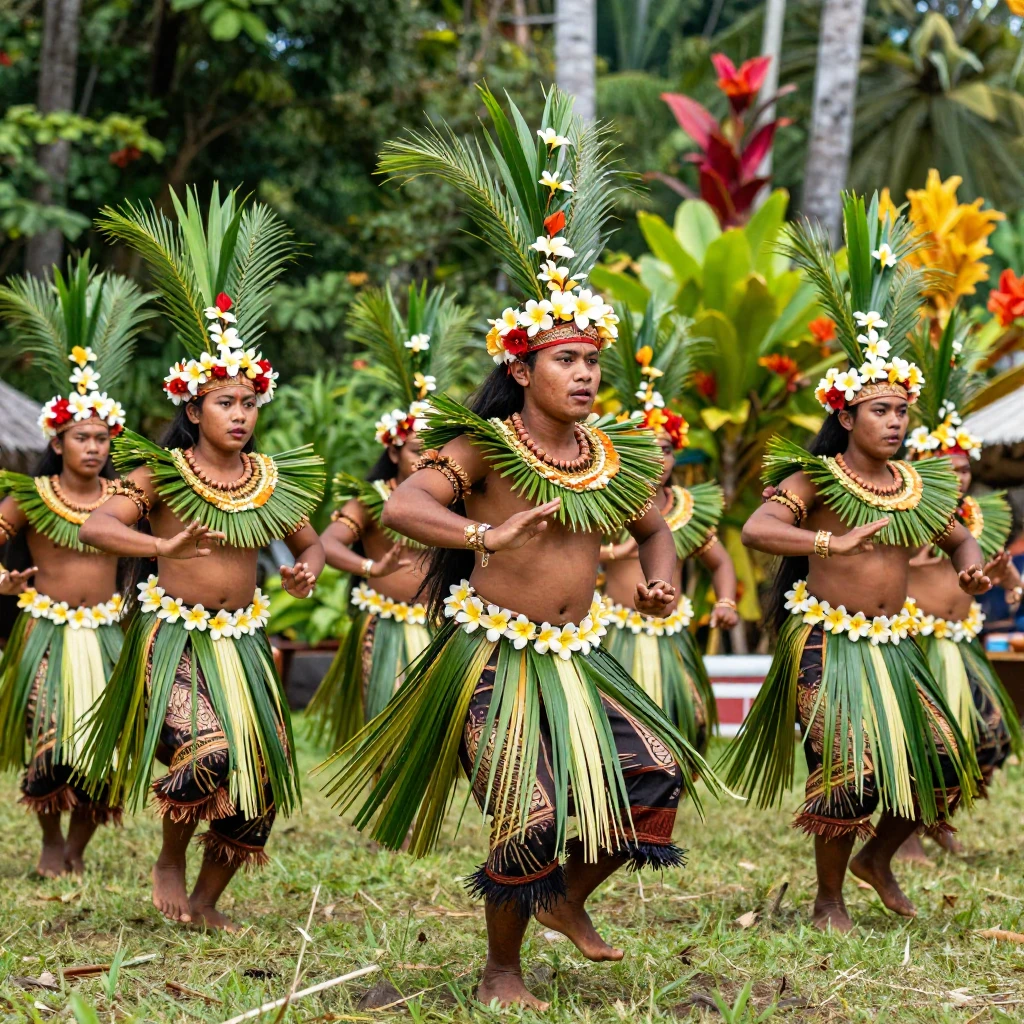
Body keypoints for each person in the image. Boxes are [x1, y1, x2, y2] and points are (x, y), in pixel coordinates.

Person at [316, 86, 719, 1010]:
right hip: (492, 656)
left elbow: (655, 527)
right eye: (566, 360)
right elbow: (407, 503)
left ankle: (565, 898)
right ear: (521, 367)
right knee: (527, 811)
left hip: (581, 656)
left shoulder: (611, 454)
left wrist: (660, 584)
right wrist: (483, 533)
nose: (585, 374)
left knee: (656, 774)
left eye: (592, 361)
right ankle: (502, 969)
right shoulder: (485, 449)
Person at [725, 194, 989, 933]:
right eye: (880, 411)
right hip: (824, 640)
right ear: (845, 416)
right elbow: (758, 528)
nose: (895, 422)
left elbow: (958, 536)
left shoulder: (919, 484)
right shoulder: (817, 479)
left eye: (902, 412)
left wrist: (970, 568)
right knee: (847, 769)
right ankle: (829, 899)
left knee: (943, 759)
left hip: (893, 643)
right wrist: (827, 545)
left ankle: (878, 857)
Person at [78, 186, 325, 930]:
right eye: (225, 403)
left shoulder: (271, 478)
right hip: (174, 638)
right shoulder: (160, 473)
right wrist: (161, 545)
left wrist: (306, 569)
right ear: (194, 409)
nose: (240, 414)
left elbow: (310, 542)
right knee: (209, 752)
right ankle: (168, 857)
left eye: (248, 403)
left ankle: (208, 899)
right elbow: (98, 526)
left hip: (244, 642)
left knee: (265, 774)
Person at [0, 255, 149, 877]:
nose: (92, 447)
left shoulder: (125, 500)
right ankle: (48, 842)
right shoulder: (31, 496)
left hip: (109, 632)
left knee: (103, 748)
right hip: (46, 633)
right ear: (56, 441)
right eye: (81, 437)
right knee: (52, 737)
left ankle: (79, 849)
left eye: (101, 438)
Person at [307, 283, 473, 749]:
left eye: (434, 450)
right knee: (387, 732)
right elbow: (327, 544)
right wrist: (371, 567)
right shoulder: (374, 499)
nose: (426, 459)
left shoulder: (454, 501)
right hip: (385, 630)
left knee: (434, 741)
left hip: (439, 626)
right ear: (394, 449)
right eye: (417, 450)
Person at [897, 313, 1024, 860]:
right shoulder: (907, 516)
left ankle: (939, 817)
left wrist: (1010, 581)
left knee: (989, 736)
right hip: (917, 645)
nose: (960, 477)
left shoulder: (977, 518)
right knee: (921, 741)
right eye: (946, 468)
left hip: (960, 644)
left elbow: (992, 569)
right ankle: (903, 834)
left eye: (965, 468)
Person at [597, 303, 737, 750]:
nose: (658, 458)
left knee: (682, 726)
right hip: (616, 633)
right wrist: (613, 553)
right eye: (646, 447)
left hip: (671, 637)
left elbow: (720, 562)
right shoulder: (606, 500)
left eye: (665, 449)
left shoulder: (688, 509)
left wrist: (726, 601)